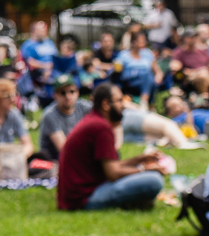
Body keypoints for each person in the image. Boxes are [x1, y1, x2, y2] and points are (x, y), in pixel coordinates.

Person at [55, 83, 165, 211]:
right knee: (154, 180)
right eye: (119, 101)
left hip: (76, 195)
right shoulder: (101, 127)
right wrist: (144, 169)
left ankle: (135, 202)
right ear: (106, 104)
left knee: (147, 177)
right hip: (83, 199)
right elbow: (113, 173)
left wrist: (140, 159)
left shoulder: (94, 121)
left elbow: (113, 166)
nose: (123, 105)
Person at [36, 79, 86, 162]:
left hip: (76, 157)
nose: (68, 96)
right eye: (63, 93)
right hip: (53, 162)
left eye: (72, 91)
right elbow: (64, 148)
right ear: (55, 95)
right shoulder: (50, 115)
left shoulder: (83, 107)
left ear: (77, 93)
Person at [20, 20, 57, 96]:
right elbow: (31, 63)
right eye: (41, 30)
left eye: (45, 30)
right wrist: (47, 66)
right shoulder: (28, 45)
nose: (44, 32)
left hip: (54, 69)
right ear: (33, 31)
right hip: (38, 72)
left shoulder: (49, 42)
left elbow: (57, 56)